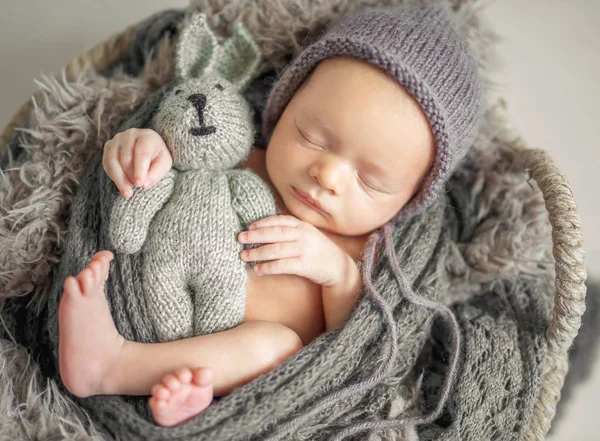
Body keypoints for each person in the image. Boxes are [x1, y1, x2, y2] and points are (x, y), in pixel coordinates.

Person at [56, 3, 482, 428]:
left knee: (275, 347)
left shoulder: (364, 249)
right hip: (154, 297)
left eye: (371, 181)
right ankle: (171, 386)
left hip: (240, 367)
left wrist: (336, 273)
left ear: (408, 202)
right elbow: (182, 148)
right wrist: (141, 149)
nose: (328, 175)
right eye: (310, 136)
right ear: (283, 105)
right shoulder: (244, 157)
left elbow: (361, 346)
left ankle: (115, 366)